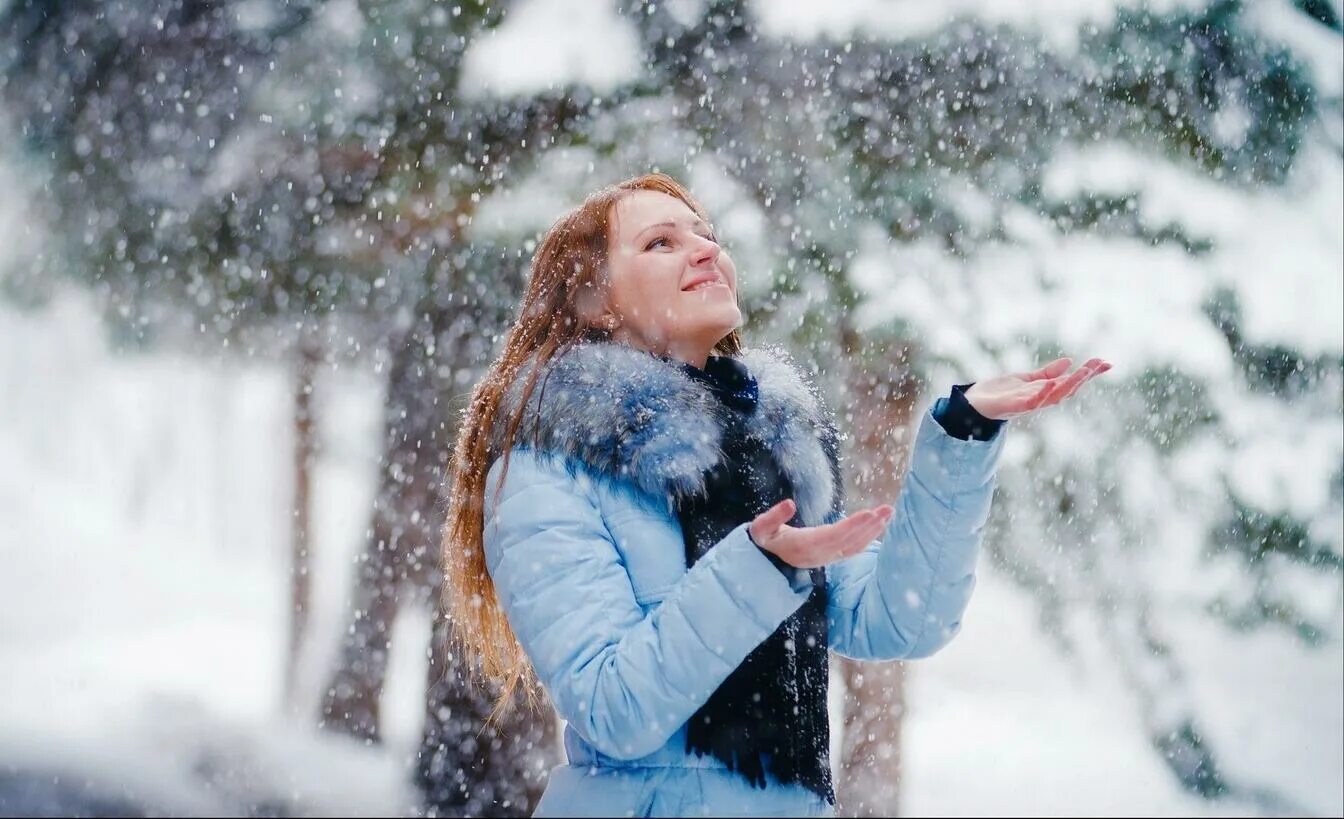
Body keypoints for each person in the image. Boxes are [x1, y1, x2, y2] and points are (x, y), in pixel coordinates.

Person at [441, 173, 1110, 817]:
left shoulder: (771, 456)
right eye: (661, 243)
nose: (706, 249)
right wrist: (760, 565)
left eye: (707, 235)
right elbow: (616, 708)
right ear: (596, 300)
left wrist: (964, 432)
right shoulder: (544, 473)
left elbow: (903, 618)